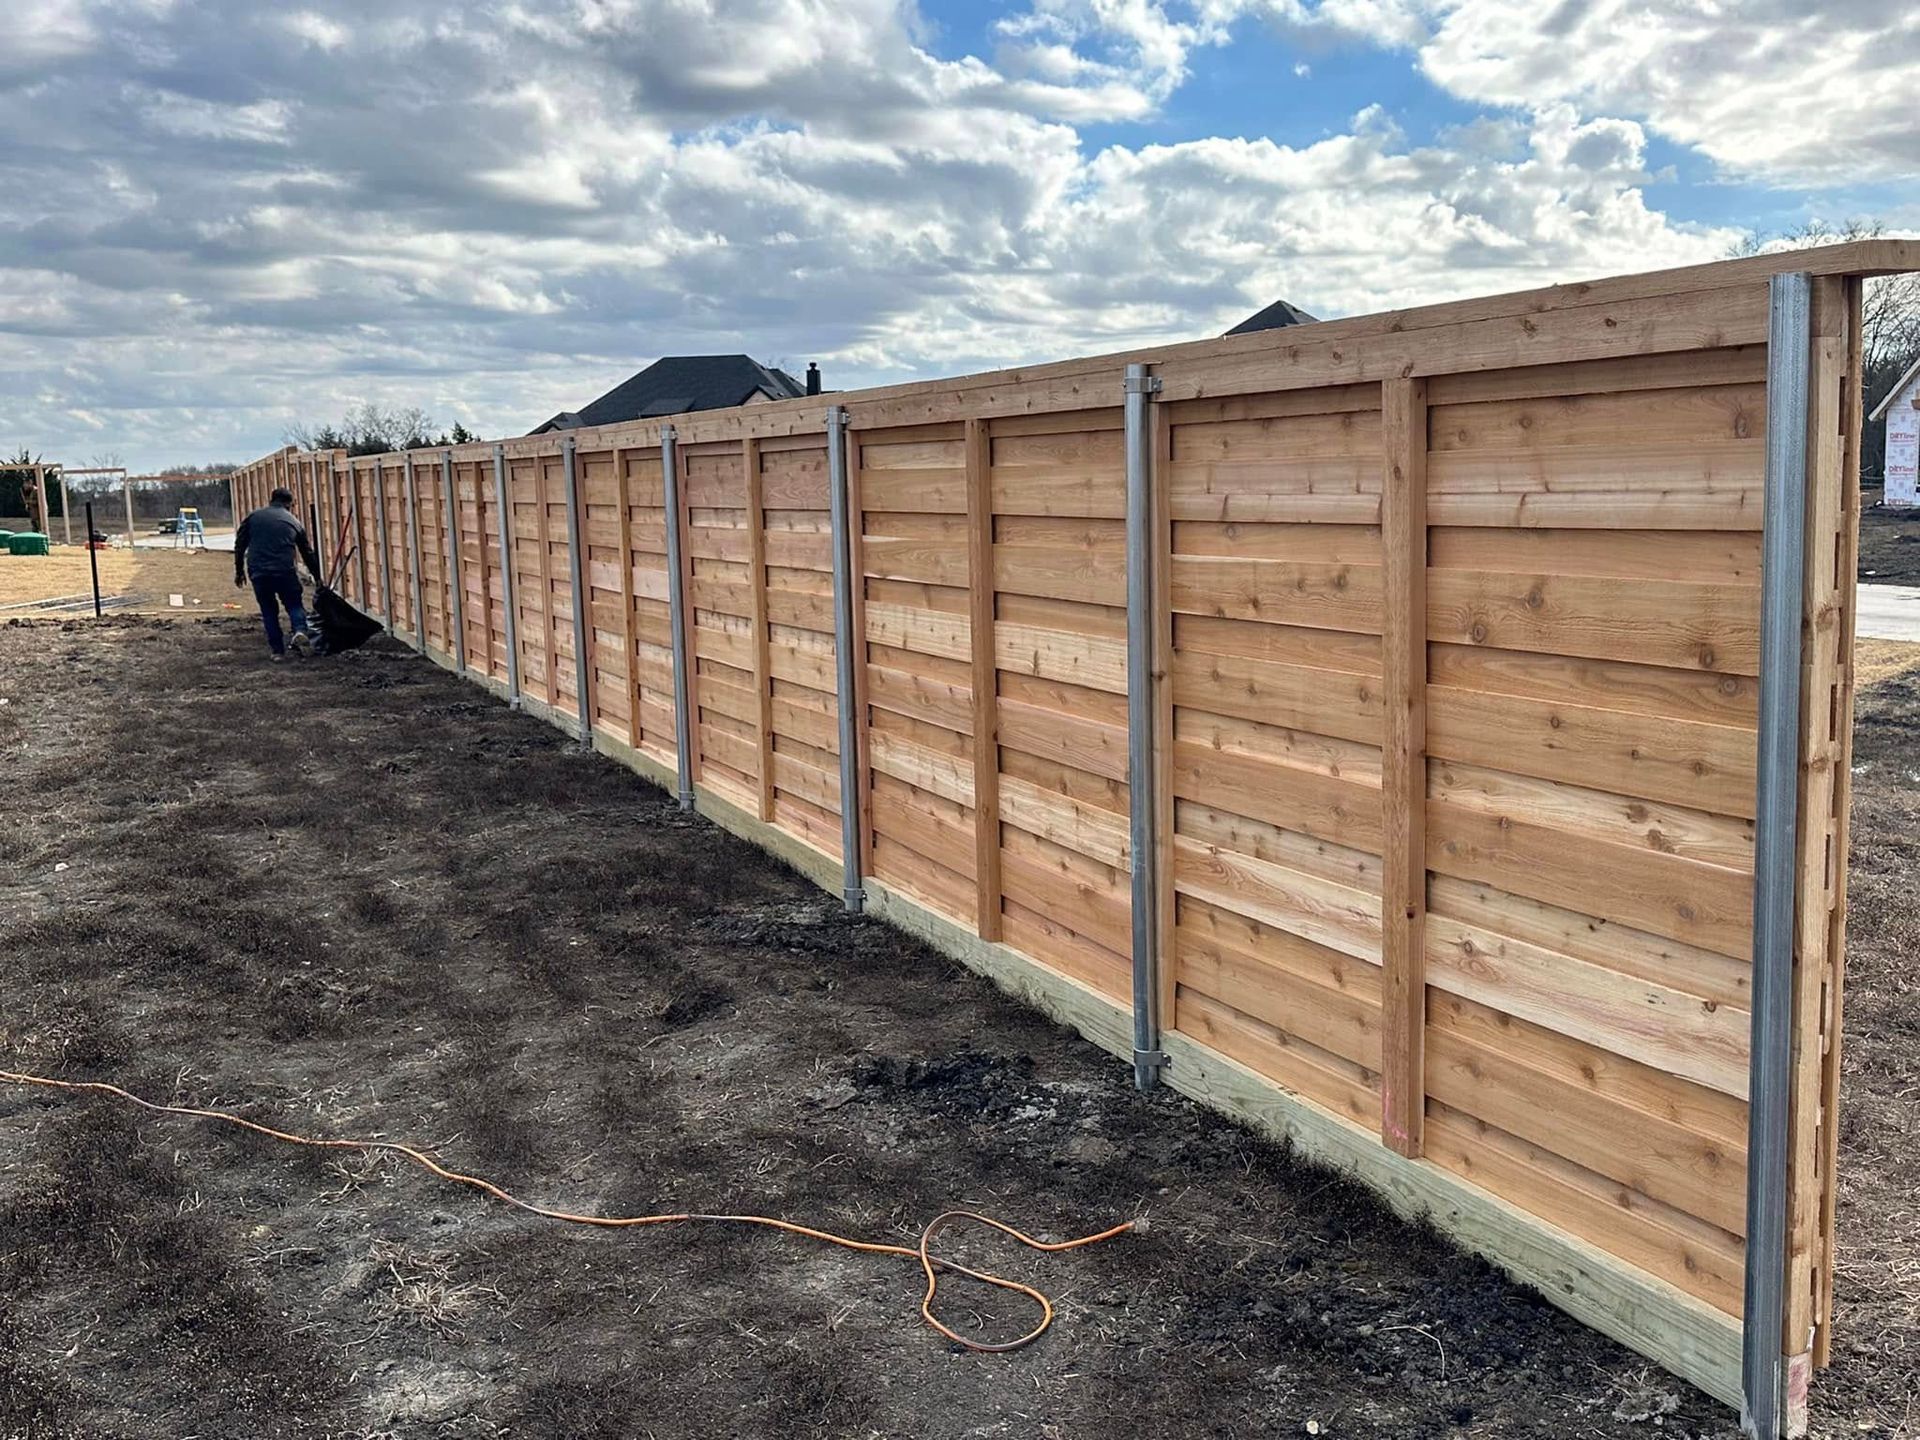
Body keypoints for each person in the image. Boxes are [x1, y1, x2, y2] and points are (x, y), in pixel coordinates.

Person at [234, 487, 321, 661]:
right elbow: (307, 552)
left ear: (271, 500)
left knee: (268, 610)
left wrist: (239, 571)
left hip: (258, 572)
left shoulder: (253, 517)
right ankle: (300, 630)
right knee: (294, 604)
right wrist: (317, 576)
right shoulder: (294, 522)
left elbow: (240, 544)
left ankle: (277, 652)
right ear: (289, 504)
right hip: (284, 571)